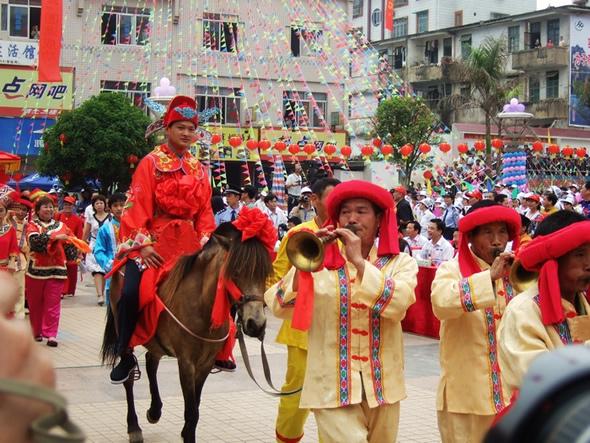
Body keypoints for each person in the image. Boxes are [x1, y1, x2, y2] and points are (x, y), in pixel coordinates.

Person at [265, 180, 418, 443]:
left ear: (380, 218)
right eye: (345, 212)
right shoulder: (320, 262)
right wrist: (305, 268)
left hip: (383, 386)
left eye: (361, 211)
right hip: (330, 384)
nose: (352, 218)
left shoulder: (400, 263)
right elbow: (279, 305)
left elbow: (399, 304)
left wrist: (359, 262)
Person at [109, 95, 215, 383]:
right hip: (153, 243)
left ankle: (219, 347)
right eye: (180, 127)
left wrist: (207, 243)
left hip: (190, 245)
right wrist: (143, 245)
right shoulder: (150, 162)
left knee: (219, 286)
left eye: (191, 129)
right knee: (131, 292)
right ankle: (125, 351)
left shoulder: (199, 169)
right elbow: (135, 206)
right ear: (166, 129)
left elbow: (205, 212)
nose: (186, 133)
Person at [430, 201, 521, 443]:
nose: (497, 241)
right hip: (466, 399)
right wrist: (488, 277)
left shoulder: (517, 273)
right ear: (471, 237)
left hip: (511, 395)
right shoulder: (451, 269)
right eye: (488, 232)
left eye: (502, 232)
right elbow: (441, 303)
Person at [269, 177, 339, 443]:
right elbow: (275, 279)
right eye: (332, 200)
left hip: (339, 333)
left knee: (334, 400)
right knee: (296, 394)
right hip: (302, 332)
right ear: (314, 200)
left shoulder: (352, 235)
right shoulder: (297, 235)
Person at [498, 211, 590, 398]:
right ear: (552, 261)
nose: (588, 264)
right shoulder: (523, 310)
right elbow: (537, 378)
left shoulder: (581, 303)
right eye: (580, 254)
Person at [26, 196, 78, 347]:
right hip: (36, 270)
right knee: (35, 304)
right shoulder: (32, 225)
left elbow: (71, 246)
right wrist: (55, 238)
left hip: (57, 270)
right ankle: (36, 331)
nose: (49, 209)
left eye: (51, 207)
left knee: (53, 304)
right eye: (45, 207)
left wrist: (72, 246)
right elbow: (35, 244)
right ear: (37, 210)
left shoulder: (62, 226)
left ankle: (51, 335)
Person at [93, 193, 126, 305]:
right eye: (115, 205)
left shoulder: (134, 226)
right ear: (110, 208)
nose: (119, 208)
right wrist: (109, 264)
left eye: (122, 205)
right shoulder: (105, 229)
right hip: (114, 272)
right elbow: (98, 251)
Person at [82, 195, 110, 306]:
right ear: (93, 206)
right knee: (97, 271)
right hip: (95, 245)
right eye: (97, 203)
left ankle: (105, 292)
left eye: (101, 203)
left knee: (105, 270)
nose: (99, 205)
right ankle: (100, 295)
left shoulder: (111, 217)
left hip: (108, 246)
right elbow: (86, 232)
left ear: (105, 204)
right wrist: (81, 246)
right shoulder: (91, 218)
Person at [7, 194, 32, 319]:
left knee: (20, 289)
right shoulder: (7, 220)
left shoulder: (28, 225)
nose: (21, 212)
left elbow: (28, 245)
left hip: (21, 260)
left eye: (24, 210)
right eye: (19, 208)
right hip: (5, 260)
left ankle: (19, 316)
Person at [55, 196, 84, 298]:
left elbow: (79, 235)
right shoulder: (57, 216)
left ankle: (71, 290)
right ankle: (62, 290)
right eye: (66, 204)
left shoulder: (78, 220)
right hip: (59, 245)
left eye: (70, 205)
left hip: (71, 246)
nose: (67, 207)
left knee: (72, 267)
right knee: (61, 267)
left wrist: (79, 250)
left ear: (73, 206)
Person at [0, 201, 18, 275]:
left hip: (4, 269)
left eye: (0, 210)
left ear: (6, 212)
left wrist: (12, 262)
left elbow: (13, 248)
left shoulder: (10, 229)